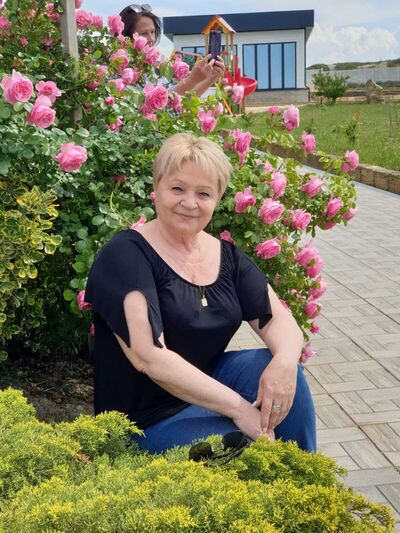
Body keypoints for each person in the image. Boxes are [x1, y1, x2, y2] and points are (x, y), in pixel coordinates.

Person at [85, 133, 316, 454]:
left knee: (283, 374)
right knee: (236, 446)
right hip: (144, 419)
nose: (190, 203)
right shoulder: (125, 255)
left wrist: (286, 363)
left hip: (205, 393)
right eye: (177, 189)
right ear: (156, 188)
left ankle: (303, 473)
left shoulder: (226, 258)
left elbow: (278, 319)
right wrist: (239, 409)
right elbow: (149, 357)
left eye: (203, 193)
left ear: (217, 198)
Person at [119, 4, 225, 97]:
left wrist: (211, 78)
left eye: (153, 32)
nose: (151, 39)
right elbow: (165, 102)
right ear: (126, 38)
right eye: (144, 33)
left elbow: (183, 98)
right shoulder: (121, 72)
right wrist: (192, 79)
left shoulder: (155, 69)